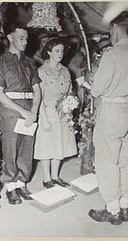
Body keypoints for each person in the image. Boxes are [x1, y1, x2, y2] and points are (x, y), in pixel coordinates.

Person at [88, 11, 128, 225]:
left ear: (115, 28)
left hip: (111, 111)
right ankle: (125, 206)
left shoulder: (112, 55)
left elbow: (97, 90)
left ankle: (113, 210)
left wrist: (91, 81)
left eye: (110, 30)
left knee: (107, 161)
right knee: (124, 161)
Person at [0, 23, 41, 205]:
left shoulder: (30, 62)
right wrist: (23, 111)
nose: (25, 42)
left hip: (29, 109)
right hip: (11, 111)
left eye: (27, 38)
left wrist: (33, 111)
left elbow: (37, 89)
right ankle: (11, 187)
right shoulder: (1, 62)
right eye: (21, 38)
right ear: (10, 37)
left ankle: (22, 182)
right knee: (11, 149)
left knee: (26, 149)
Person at [34, 37, 77, 189]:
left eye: (62, 51)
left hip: (63, 112)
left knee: (60, 143)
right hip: (48, 111)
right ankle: (46, 178)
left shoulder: (66, 71)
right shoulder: (41, 71)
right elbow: (38, 97)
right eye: (57, 51)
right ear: (49, 52)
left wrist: (70, 107)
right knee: (47, 145)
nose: (60, 54)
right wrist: (43, 119)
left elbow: (70, 92)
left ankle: (55, 176)